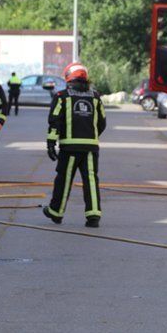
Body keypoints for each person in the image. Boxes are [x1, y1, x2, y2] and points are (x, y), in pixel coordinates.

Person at [43, 62, 107, 228]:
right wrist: (91, 136)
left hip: (69, 147)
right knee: (91, 180)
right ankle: (93, 216)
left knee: (64, 180)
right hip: (91, 147)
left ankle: (56, 212)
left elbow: (54, 121)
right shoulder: (95, 97)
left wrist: (51, 143)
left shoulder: (61, 96)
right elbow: (102, 122)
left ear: (68, 78)